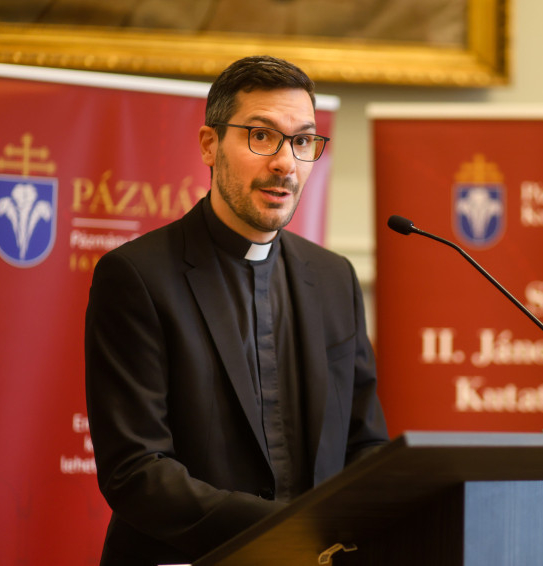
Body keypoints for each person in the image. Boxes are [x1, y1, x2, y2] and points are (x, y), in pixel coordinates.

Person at [85, 55, 389, 566]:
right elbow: (137, 470)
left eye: (302, 141)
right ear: (210, 144)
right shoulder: (137, 276)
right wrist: (290, 533)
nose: (286, 163)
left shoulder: (334, 278)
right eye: (262, 136)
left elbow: (366, 443)